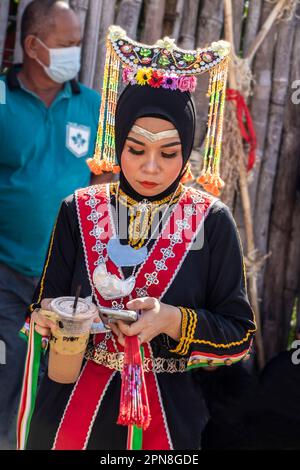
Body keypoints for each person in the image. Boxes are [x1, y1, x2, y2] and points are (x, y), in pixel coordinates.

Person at [18, 26, 256, 451]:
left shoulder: (212, 221)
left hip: (168, 418)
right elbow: (44, 302)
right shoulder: (79, 209)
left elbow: (238, 333)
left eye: (168, 153)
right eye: (135, 149)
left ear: (187, 152)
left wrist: (173, 319)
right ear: (116, 142)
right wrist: (51, 319)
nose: (150, 168)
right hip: (71, 408)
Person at [0, 0, 111, 449]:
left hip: (69, 281)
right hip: (6, 271)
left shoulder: (93, 106)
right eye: (67, 44)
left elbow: (105, 183)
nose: (76, 53)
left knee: (58, 377)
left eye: (79, 43)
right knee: (9, 368)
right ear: (33, 45)